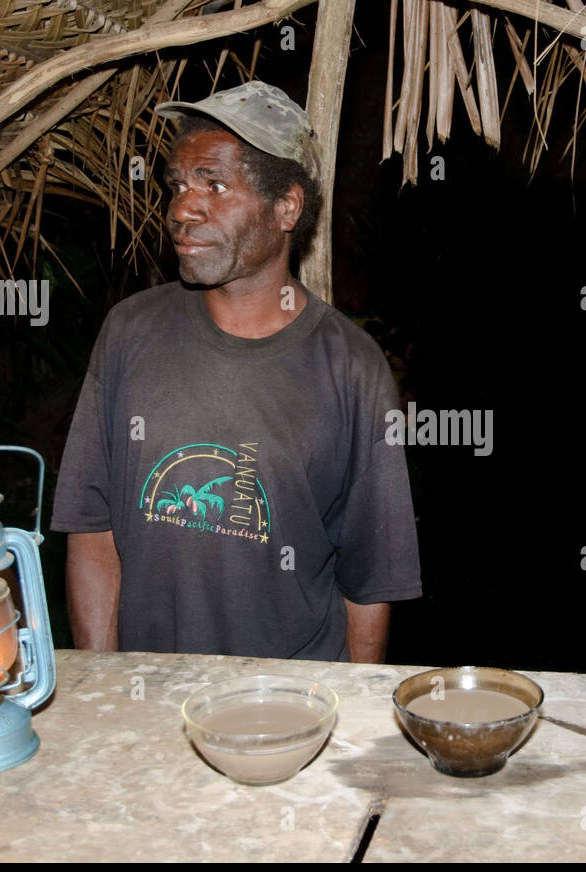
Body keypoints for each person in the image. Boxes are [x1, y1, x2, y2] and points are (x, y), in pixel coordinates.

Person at [50, 81, 422, 662]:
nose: (181, 208)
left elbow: (368, 583)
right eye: (177, 185)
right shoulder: (130, 332)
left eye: (215, 185)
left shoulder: (351, 369)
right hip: (152, 704)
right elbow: (93, 528)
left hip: (290, 710)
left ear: (286, 207)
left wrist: (348, 719)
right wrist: (107, 683)